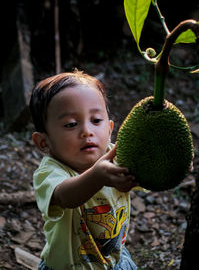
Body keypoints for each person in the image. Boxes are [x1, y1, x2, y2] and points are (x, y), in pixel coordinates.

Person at [29, 69, 138, 270]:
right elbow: (66, 196)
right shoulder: (50, 172)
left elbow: (146, 175)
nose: (87, 131)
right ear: (43, 142)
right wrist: (97, 176)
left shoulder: (117, 156)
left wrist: (174, 166)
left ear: (110, 128)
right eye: (71, 124)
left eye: (96, 120)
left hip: (115, 262)